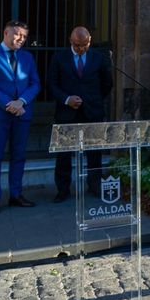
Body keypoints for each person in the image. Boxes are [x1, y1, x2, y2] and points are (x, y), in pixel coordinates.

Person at [0, 20, 41, 215]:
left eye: (24, 36)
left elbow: (35, 84)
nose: (21, 39)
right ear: (6, 32)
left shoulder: (28, 57)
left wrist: (21, 101)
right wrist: (9, 104)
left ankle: (16, 195)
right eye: (18, 34)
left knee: (19, 156)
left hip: (22, 113)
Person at [48, 26, 114, 203]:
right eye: (77, 45)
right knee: (64, 154)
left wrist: (93, 100)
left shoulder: (98, 57)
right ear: (70, 41)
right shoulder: (59, 58)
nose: (81, 49)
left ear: (90, 41)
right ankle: (62, 190)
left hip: (92, 112)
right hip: (66, 113)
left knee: (94, 152)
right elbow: (52, 85)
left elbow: (107, 83)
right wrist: (67, 99)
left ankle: (94, 186)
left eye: (84, 45)